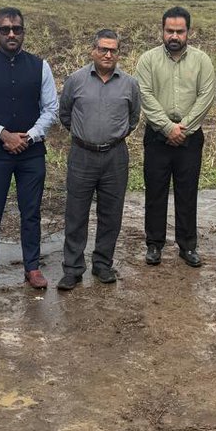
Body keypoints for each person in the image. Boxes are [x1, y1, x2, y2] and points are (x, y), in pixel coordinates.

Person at [0, 8, 58, 294]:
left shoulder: (40, 66)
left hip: (31, 153)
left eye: (17, 28)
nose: (12, 34)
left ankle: (32, 266)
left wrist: (27, 137)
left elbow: (51, 108)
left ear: (24, 31)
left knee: (31, 212)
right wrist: (2, 134)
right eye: (5, 29)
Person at [56, 30, 141, 290]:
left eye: (113, 50)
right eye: (103, 49)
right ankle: (72, 268)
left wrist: (111, 138)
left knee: (111, 214)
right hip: (82, 155)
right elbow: (65, 114)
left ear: (118, 53)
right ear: (93, 50)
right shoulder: (76, 80)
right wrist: (86, 136)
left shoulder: (129, 84)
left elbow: (133, 119)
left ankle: (103, 264)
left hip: (115, 156)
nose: (108, 54)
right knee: (76, 214)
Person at [135, 7, 215, 267]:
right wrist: (167, 128)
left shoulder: (202, 60)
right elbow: (145, 95)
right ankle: (154, 244)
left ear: (188, 32)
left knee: (187, 191)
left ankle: (187, 245)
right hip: (157, 137)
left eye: (180, 31)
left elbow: (206, 96)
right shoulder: (147, 60)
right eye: (170, 30)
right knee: (155, 192)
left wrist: (184, 128)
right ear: (162, 31)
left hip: (189, 138)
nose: (174, 36)